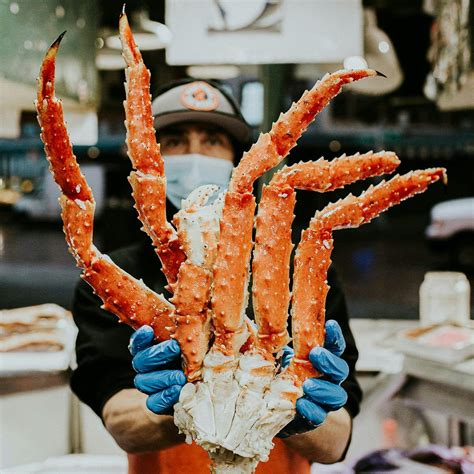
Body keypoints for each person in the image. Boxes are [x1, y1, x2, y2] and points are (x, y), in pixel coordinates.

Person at [70, 79, 362, 474]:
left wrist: (293, 410)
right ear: (147, 161)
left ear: (237, 158)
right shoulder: (116, 277)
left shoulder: (296, 269)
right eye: (173, 142)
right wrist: (185, 403)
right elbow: (120, 420)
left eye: (211, 140)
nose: (194, 154)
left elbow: (337, 439)